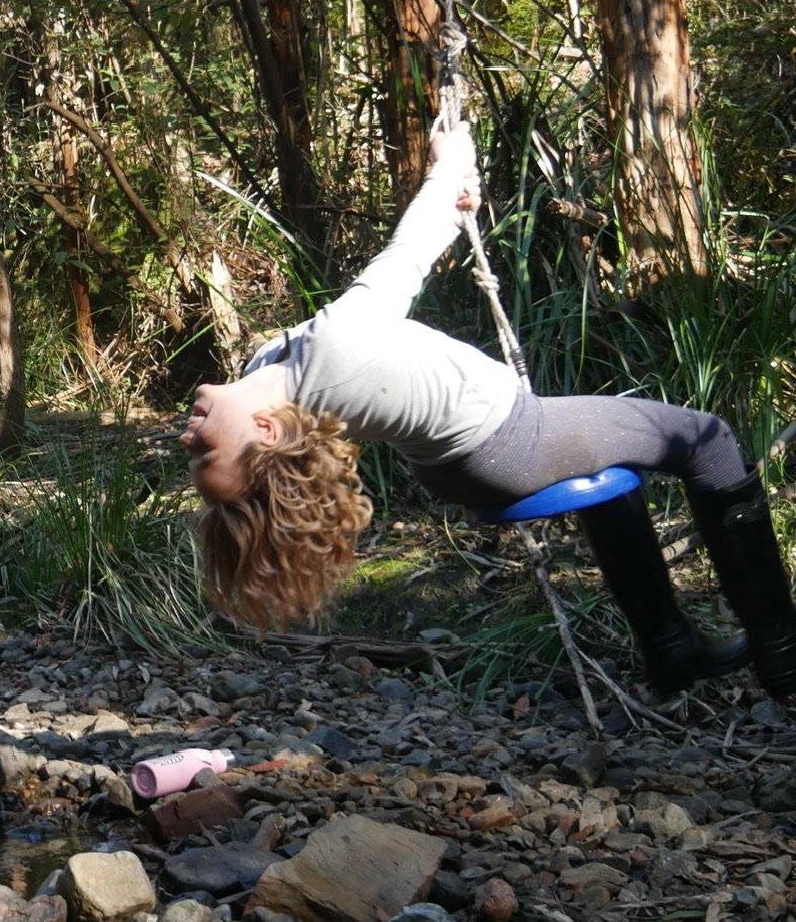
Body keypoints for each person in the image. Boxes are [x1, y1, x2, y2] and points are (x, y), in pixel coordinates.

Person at [185, 125, 796, 701]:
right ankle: (783, 651)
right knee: (708, 440)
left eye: (196, 454)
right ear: (264, 430)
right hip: (510, 442)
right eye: (205, 450)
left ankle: (670, 649)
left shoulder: (270, 370)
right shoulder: (334, 356)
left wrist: (453, 203)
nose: (189, 438)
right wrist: (448, 159)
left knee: (614, 479)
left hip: (469, 457)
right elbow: (408, 254)